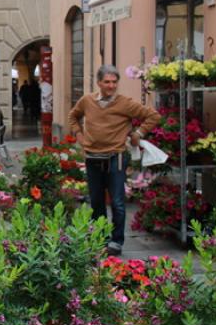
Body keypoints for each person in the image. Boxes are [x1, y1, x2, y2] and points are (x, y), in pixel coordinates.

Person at [68, 65, 160, 257]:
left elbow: (153, 116)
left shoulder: (125, 103)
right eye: (107, 82)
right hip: (92, 158)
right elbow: (73, 116)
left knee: (117, 202)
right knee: (96, 202)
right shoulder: (87, 101)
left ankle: (116, 241)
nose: (111, 86)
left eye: (114, 82)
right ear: (99, 82)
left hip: (115, 157)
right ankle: (99, 239)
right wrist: (79, 135)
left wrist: (139, 133)